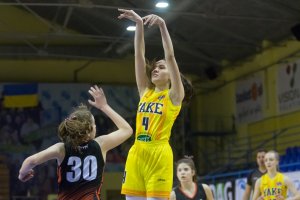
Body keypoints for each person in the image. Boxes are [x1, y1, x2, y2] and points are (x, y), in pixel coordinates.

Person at [118, 9, 193, 200]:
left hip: (159, 154)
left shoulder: (174, 96)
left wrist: (162, 25)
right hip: (137, 152)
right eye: (155, 67)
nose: (155, 70)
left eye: (161, 67)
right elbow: (138, 55)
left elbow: (170, 56)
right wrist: (139, 26)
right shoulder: (145, 91)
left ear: (171, 75)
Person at [18, 85, 133, 200]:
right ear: (89, 129)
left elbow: (31, 161)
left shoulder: (61, 149)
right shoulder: (100, 144)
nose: (96, 126)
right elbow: (127, 130)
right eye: (94, 124)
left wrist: (22, 174)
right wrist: (104, 106)